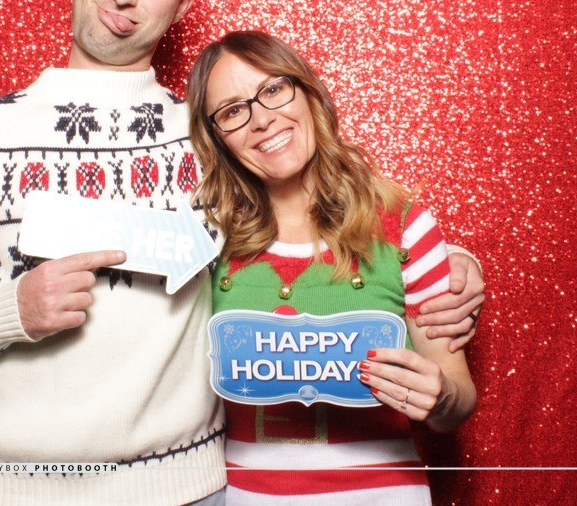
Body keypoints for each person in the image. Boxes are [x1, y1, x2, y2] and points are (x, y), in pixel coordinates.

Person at [0, 0, 483, 505]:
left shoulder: (209, 137)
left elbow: (309, 210)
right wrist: (10, 310)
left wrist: (448, 267)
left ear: (182, 5)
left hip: (189, 489)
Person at [187, 31, 477, 504]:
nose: (261, 119)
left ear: (308, 92)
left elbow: (457, 399)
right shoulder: (207, 239)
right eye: (233, 111)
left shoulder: (403, 225)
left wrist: (440, 395)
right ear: (215, 136)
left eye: (273, 89)